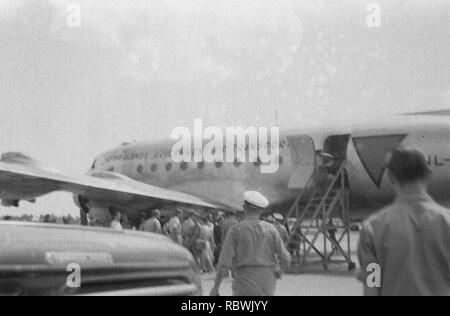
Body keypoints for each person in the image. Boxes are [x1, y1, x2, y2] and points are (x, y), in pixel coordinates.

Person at [358, 148, 450, 296]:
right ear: (428, 174)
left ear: (390, 177)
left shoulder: (373, 229)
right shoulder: (446, 221)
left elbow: (372, 286)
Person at [210, 191, 291, 296]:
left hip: (244, 280)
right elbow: (286, 258)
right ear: (261, 210)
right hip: (267, 281)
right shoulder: (271, 229)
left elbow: (224, 262)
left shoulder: (236, 230)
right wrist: (280, 271)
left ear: (244, 207)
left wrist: (216, 287)